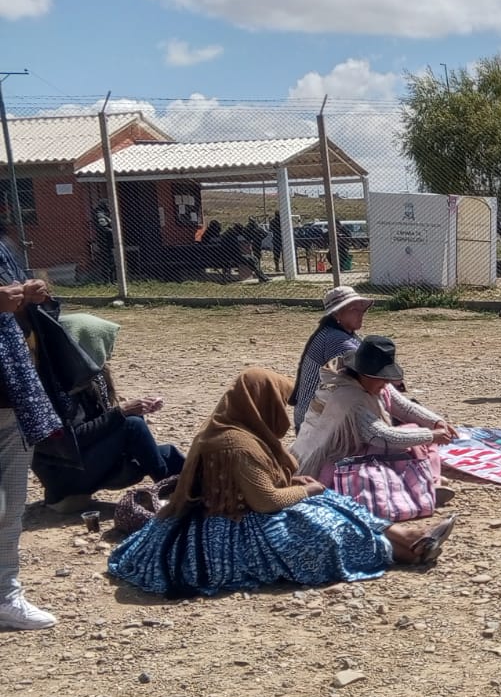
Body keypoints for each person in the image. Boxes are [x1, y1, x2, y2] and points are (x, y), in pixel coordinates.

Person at [108, 370, 455, 598]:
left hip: (242, 511)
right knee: (321, 529)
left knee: (333, 504)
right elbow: (265, 501)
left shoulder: (240, 430)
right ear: (262, 404)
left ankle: (407, 538)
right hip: (225, 525)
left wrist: (295, 481)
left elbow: (263, 484)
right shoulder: (235, 443)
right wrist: (306, 489)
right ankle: (403, 550)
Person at [30, 314, 184, 514]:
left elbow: (103, 426)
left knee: (167, 452)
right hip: (64, 477)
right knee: (132, 425)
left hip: (83, 464)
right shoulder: (56, 387)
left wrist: (136, 410)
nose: (109, 353)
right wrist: (121, 412)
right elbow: (73, 439)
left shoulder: (90, 377)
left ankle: (198, 486)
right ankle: (167, 491)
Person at [293, 336, 456, 516]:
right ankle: (424, 484)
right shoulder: (349, 397)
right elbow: (381, 435)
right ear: (363, 374)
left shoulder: (373, 385)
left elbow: (404, 407)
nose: (386, 383)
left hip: (360, 448)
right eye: (381, 378)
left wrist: (437, 422)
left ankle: (431, 481)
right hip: (335, 457)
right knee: (415, 436)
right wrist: (431, 435)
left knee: (421, 435)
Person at [0, 239, 60, 630]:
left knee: (10, 502)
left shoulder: (2, 249)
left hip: (10, 392)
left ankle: (5, 594)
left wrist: (30, 295)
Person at [290, 285, 375, 431]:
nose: (360, 314)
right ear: (336, 315)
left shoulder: (340, 333)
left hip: (313, 418)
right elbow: (365, 378)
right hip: (316, 425)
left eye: (361, 309)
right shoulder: (336, 340)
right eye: (354, 310)